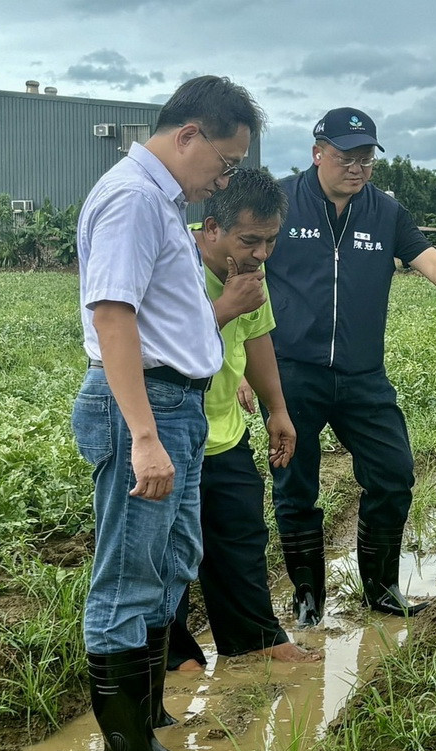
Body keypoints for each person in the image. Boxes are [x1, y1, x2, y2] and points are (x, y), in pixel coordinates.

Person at [71, 75, 264, 751]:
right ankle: (128, 748)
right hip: (145, 409)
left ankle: (147, 711)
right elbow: (113, 313)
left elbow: (163, 317)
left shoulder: (159, 200)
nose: (226, 177)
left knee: (172, 559)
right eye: (227, 161)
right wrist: (145, 436)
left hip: (177, 404)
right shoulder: (131, 199)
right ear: (189, 135)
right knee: (128, 573)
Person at [262, 107, 436, 627]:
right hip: (291, 371)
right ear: (317, 152)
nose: (358, 168)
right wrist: (235, 363)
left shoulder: (384, 211)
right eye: (347, 157)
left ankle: (381, 588)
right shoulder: (278, 200)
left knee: (393, 475)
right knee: (296, 486)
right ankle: (307, 601)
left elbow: (424, 255)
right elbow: (239, 262)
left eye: (366, 158)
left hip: (362, 374)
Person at [166, 167, 319, 671]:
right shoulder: (174, 261)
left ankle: (252, 639)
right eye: (250, 240)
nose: (261, 253)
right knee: (166, 551)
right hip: (167, 429)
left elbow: (258, 338)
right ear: (210, 228)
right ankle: (173, 656)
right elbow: (156, 345)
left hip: (223, 428)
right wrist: (226, 307)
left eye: (271, 241)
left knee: (240, 532)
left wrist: (278, 410)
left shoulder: (250, 273)